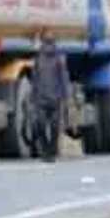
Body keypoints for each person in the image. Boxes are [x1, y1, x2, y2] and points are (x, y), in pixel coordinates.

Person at [30, 30, 71, 162]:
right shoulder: (38, 58)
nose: (48, 46)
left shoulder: (59, 59)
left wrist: (65, 97)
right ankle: (47, 151)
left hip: (54, 99)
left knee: (53, 127)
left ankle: (51, 151)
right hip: (42, 99)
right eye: (46, 43)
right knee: (41, 125)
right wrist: (33, 96)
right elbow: (35, 78)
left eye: (50, 43)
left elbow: (64, 78)